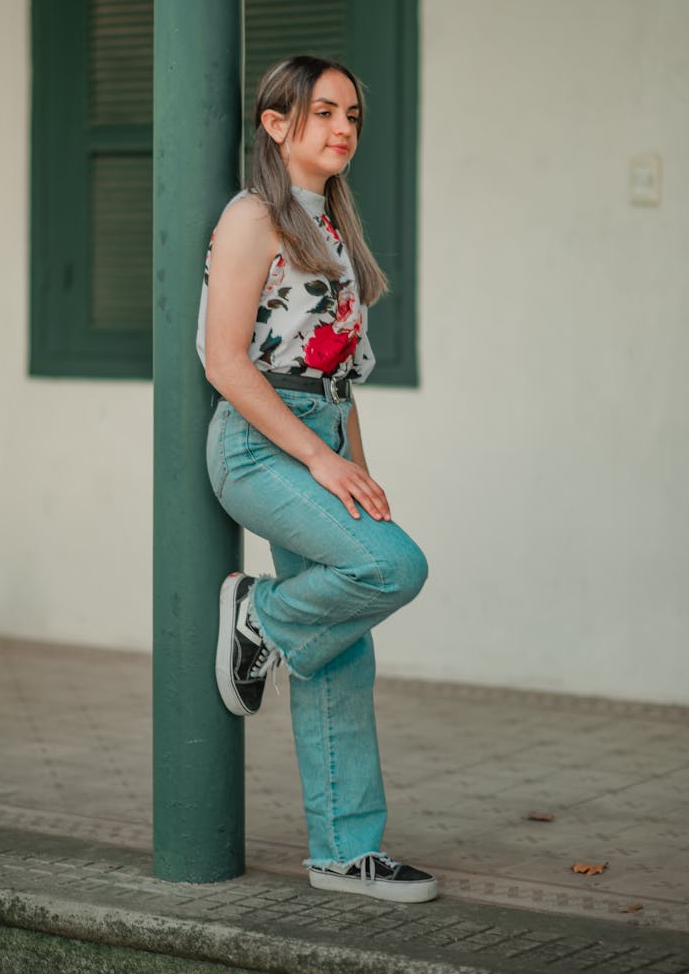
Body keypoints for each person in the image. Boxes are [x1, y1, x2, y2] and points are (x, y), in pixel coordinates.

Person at [196, 54, 437, 904]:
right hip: (261, 449)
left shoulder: (330, 225)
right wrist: (321, 458)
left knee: (342, 653)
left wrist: (357, 469)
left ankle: (345, 852)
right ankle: (256, 615)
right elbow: (225, 361)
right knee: (392, 567)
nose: (344, 129)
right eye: (325, 112)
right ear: (275, 122)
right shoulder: (252, 218)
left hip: (322, 434)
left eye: (354, 117)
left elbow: (341, 379)